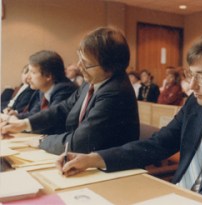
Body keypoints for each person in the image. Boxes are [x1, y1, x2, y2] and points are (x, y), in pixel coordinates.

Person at [56, 30, 202, 204]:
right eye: (191, 74)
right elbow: (157, 144)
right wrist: (93, 159)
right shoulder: (198, 102)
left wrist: (177, 200)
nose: (192, 86)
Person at [1, 27, 139, 155]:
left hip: (109, 170)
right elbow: (64, 108)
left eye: (86, 62)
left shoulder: (115, 91)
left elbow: (81, 142)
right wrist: (24, 124)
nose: (79, 66)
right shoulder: (92, 80)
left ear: (110, 67)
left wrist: (41, 141)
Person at [1, 50, 77, 134]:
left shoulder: (65, 90)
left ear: (48, 76)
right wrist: (9, 118)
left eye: (33, 72)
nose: (28, 78)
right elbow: (34, 114)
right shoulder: (42, 90)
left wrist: (17, 124)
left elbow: (50, 123)